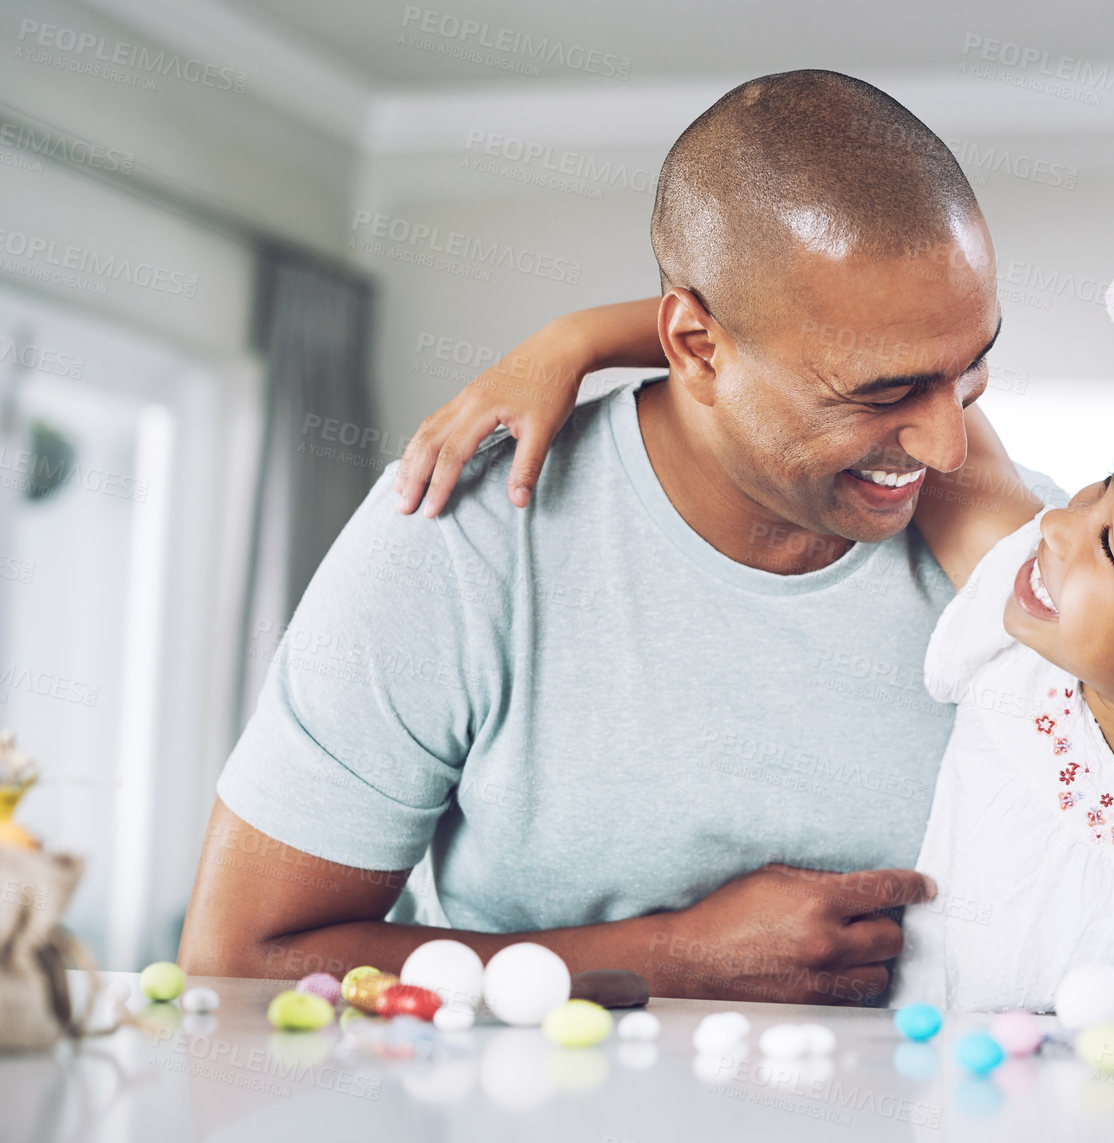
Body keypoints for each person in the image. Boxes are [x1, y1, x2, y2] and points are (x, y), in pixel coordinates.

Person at [392, 249, 1114, 1029]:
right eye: (1096, 485)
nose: (1055, 522)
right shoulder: (1015, 633)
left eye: (1112, 539)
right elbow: (818, 361)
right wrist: (580, 342)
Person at [179, 70, 1031, 1006]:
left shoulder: (1021, 559)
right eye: (881, 392)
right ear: (698, 349)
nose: (946, 442)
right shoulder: (459, 538)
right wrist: (673, 959)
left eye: (972, 366)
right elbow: (241, 960)